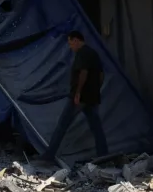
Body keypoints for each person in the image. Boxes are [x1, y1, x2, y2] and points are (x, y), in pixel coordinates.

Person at [42, 31, 109, 161]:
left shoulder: (82, 53)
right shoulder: (93, 53)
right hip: (92, 97)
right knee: (96, 128)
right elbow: (101, 75)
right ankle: (103, 155)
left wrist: (78, 92)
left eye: (70, 43)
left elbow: (83, 72)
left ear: (77, 40)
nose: (70, 46)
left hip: (80, 97)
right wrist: (95, 89)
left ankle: (49, 155)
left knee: (62, 125)